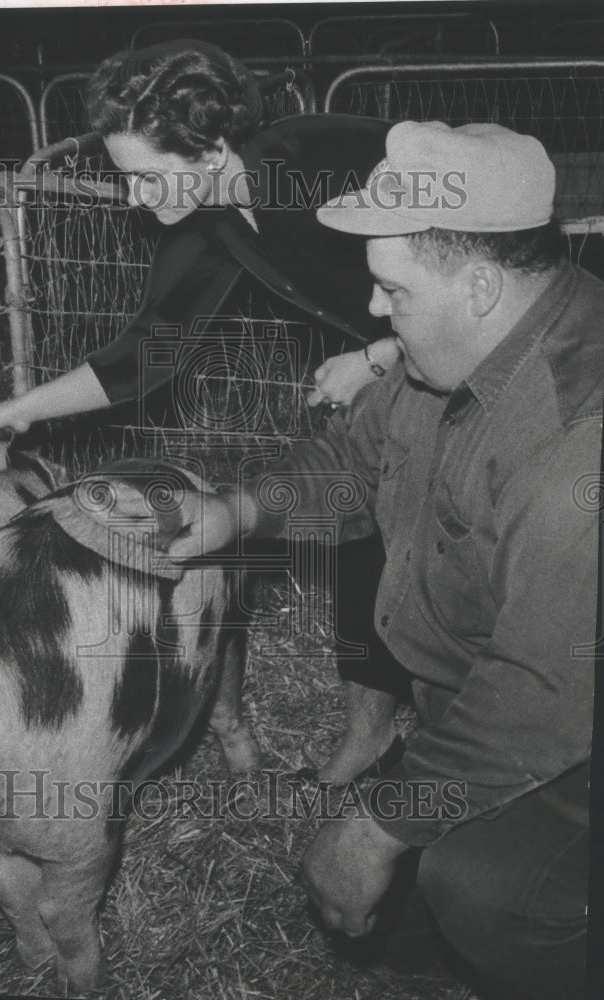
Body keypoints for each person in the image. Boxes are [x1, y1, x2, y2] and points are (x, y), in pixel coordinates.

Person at [154, 120, 600, 999]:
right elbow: (349, 467)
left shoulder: (574, 446)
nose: (371, 314)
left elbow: (542, 696)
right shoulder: (458, 355)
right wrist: (234, 510)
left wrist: (377, 825)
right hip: (492, 691)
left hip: (569, 713)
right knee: (390, 926)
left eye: (390, 291)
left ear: (475, 285)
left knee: (484, 889)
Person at [0, 40, 406, 783]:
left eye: (142, 176)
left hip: (486, 347)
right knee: (365, 536)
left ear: (211, 146)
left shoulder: (322, 163)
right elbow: (147, 356)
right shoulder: (213, 216)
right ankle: (370, 738)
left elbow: (475, 256)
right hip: (393, 361)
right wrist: (17, 410)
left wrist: (375, 357)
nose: (133, 199)